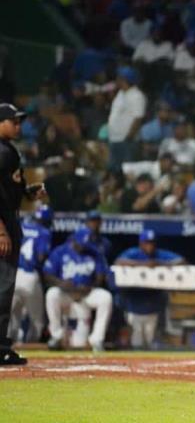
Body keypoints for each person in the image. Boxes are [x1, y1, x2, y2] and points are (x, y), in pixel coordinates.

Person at [0, 104, 47, 366]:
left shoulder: (8, 151)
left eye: (19, 122)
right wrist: (1, 231)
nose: (18, 126)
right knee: (3, 289)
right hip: (3, 226)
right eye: (13, 121)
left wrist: (28, 192)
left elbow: (8, 191)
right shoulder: (2, 152)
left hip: (8, 221)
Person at [43, 228, 113, 352]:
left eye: (85, 244)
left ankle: (97, 340)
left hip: (86, 293)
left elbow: (101, 276)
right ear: (74, 240)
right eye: (81, 243)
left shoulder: (94, 253)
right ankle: (56, 336)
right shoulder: (60, 251)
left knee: (105, 297)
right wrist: (61, 283)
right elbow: (47, 274)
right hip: (66, 292)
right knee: (52, 294)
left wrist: (90, 286)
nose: (83, 247)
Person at [114, 229, 184, 349]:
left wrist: (159, 264)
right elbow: (118, 262)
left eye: (152, 242)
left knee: (149, 341)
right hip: (133, 304)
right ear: (141, 243)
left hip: (153, 305)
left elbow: (182, 261)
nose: (150, 245)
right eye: (146, 242)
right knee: (137, 341)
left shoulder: (159, 255)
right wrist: (143, 265)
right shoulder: (133, 253)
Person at [8, 205, 53, 343]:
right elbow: (40, 257)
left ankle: (7, 349)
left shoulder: (22, 225)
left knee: (11, 318)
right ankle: (33, 350)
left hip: (13, 274)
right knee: (37, 320)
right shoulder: (44, 232)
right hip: (29, 275)